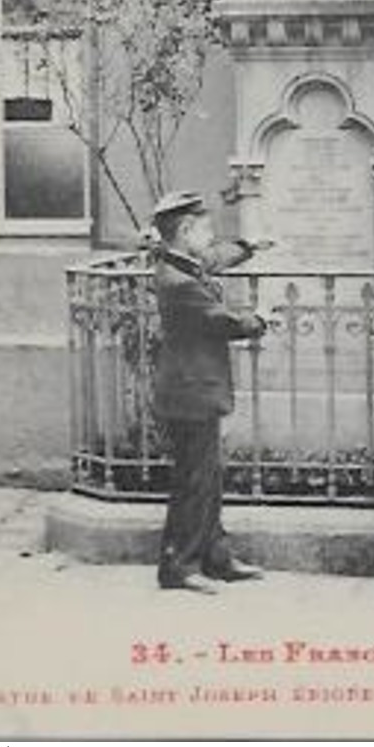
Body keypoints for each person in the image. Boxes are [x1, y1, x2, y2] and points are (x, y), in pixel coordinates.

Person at [151, 189, 268, 593]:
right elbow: (221, 321)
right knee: (194, 481)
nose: (211, 236)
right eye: (206, 229)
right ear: (185, 230)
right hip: (189, 395)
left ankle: (216, 557)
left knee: (207, 478)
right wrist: (258, 320)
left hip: (193, 392)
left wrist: (248, 246)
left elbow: (217, 258)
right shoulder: (178, 282)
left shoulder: (182, 263)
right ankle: (178, 567)